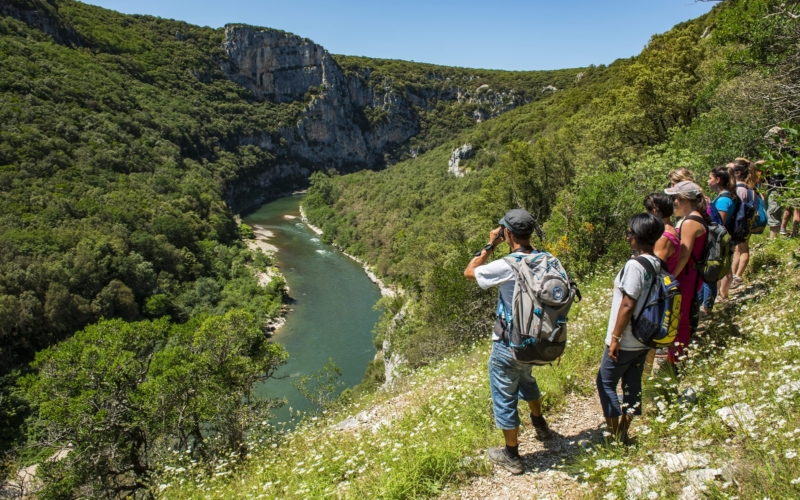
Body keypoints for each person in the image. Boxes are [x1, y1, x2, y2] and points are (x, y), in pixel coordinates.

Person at [463, 209, 552, 475]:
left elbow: (470, 272)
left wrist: (491, 244)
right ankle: (540, 424)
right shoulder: (547, 258)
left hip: (509, 343)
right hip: (538, 339)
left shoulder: (507, 264)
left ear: (508, 234)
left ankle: (511, 455)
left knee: (504, 394)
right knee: (526, 377)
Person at [596, 213, 665, 443]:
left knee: (605, 382)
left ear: (637, 237)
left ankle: (614, 437)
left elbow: (628, 303)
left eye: (630, 232)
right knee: (632, 383)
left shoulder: (635, 265)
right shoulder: (657, 263)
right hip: (643, 338)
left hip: (625, 339)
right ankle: (624, 429)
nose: (627, 236)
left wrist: (615, 338)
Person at [665, 181, 708, 364]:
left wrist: (671, 277)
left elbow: (684, 254)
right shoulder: (697, 217)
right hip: (691, 274)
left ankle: (677, 360)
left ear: (683, 199)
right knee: (680, 316)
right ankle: (677, 355)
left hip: (686, 276)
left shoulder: (690, 222)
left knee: (679, 318)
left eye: (674, 198)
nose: (672, 202)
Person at [702, 166, 738, 308]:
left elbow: (719, 224)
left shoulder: (723, 200)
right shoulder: (726, 197)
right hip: (728, 238)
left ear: (718, 180)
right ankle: (722, 295)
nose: (708, 181)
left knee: (724, 268)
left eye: (710, 178)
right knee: (725, 267)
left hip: (723, 240)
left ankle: (723, 296)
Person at [726, 158, 753, 290]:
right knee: (739, 249)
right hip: (743, 223)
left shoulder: (740, 189)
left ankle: (738, 276)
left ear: (737, 173)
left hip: (740, 224)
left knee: (743, 249)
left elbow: (739, 208)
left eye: (730, 170)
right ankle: (734, 275)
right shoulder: (747, 187)